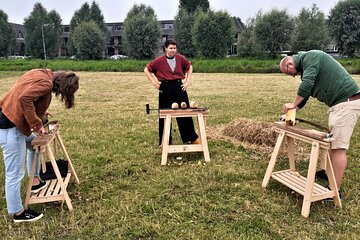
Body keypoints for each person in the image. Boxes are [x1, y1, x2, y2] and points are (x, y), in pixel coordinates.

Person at [0, 69, 79, 222]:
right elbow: (24, 98)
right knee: (14, 174)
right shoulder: (46, 83)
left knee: (34, 147)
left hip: (13, 122)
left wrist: (39, 114)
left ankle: (35, 181)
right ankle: (18, 213)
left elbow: (27, 95)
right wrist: (37, 124)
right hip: (10, 128)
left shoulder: (41, 73)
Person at [279, 50, 360, 194]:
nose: (292, 76)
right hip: (339, 104)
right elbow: (307, 91)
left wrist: (292, 104)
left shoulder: (311, 56)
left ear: (290, 63)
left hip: (346, 103)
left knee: (338, 148)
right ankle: (328, 173)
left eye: (289, 72)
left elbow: (307, 84)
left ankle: (334, 191)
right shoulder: (308, 66)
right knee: (331, 143)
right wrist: (294, 109)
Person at [144, 39, 199, 145]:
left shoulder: (181, 58)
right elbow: (146, 69)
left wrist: (187, 81)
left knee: (185, 112)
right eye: (171, 48)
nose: (173, 50)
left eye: (175, 48)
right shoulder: (159, 61)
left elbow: (189, 67)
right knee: (164, 114)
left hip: (179, 86)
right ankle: (165, 141)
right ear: (166, 48)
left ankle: (191, 138)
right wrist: (154, 83)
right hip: (165, 88)